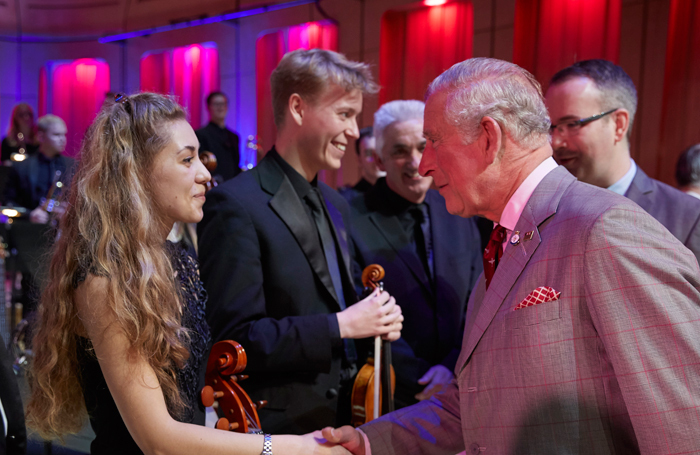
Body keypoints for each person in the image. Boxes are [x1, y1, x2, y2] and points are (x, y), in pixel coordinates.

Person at [321, 57, 700, 454]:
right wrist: (367, 441)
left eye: (433, 141)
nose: (426, 164)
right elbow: (476, 402)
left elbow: (683, 422)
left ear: (489, 137)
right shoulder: (507, 236)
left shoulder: (606, 230)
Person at [25, 92, 351, 455]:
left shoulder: (177, 260)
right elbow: (158, 440)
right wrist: (292, 448)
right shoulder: (103, 280)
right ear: (138, 171)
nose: (205, 173)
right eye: (187, 160)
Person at [198, 49, 403, 434]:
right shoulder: (235, 204)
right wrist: (341, 325)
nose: (356, 131)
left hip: (348, 424)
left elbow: (344, 306)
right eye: (344, 114)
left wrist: (378, 318)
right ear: (297, 108)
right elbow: (234, 338)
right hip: (283, 430)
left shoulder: (336, 203)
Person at [349, 100, 482, 409]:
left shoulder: (460, 211)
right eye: (399, 151)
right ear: (379, 159)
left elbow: (478, 299)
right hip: (392, 394)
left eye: (423, 147)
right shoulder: (350, 219)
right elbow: (358, 309)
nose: (416, 162)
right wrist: (421, 376)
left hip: (459, 385)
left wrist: (450, 366)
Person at [545, 59, 700, 263]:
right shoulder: (544, 212)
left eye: (572, 124)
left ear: (619, 125)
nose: (555, 142)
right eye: (551, 127)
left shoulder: (687, 218)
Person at [3, 114, 73, 224]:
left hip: (63, 231)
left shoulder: (73, 165)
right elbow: (7, 202)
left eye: (64, 135)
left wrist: (69, 212)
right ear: (41, 136)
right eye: (56, 135)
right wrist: (30, 215)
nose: (62, 139)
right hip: (30, 232)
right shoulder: (21, 167)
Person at [195, 91, 241, 183]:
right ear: (208, 107)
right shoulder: (200, 135)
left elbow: (236, 166)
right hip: (212, 188)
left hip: (232, 187)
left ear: (226, 107)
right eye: (216, 104)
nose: (220, 107)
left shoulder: (234, 137)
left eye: (222, 104)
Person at [339, 127, 384, 201]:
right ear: (359, 160)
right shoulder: (345, 200)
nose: (377, 158)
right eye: (369, 153)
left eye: (381, 151)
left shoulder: (404, 196)